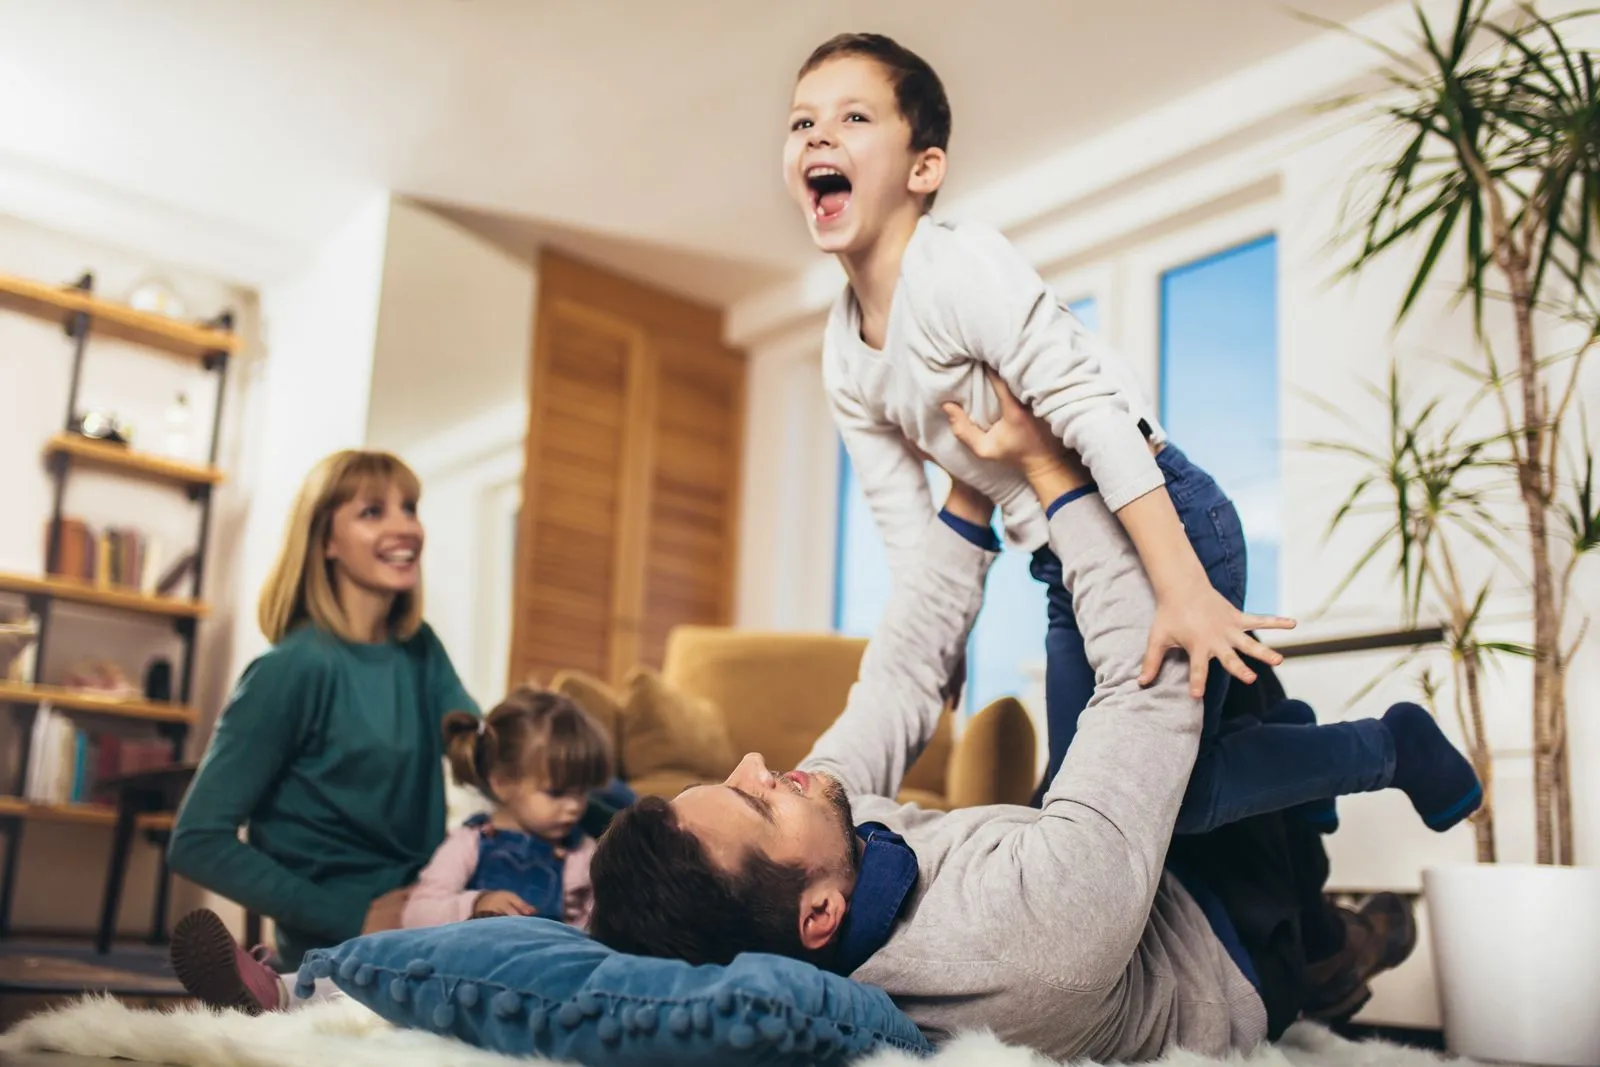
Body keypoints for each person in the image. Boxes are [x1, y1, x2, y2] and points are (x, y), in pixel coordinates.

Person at [586, 379, 1480, 1061]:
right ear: (819, 913)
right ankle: (1354, 779)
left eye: (734, 780)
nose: (754, 762)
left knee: (1070, 594)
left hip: (1080, 844)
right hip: (1227, 927)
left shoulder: (821, 844)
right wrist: (1051, 472)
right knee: (1188, 699)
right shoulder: (1021, 943)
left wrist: (972, 493)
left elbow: (897, 683)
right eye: (753, 802)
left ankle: (1295, 796)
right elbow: (1148, 691)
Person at [794, 31, 1304, 821]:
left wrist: (1182, 588)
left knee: (1123, 803)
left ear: (924, 168)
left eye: (853, 117)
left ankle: (1382, 747)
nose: (819, 135)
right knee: (1099, 801)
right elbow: (903, 516)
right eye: (802, 123)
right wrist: (945, 647)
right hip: (1063, 562)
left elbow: (1096, 413)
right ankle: (1275, 732)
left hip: (1162, 519)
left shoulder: (960, 269)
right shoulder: (842, 356)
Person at [166, 449, 478, 1012]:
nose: (405, 526)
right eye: (372, 512)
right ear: (325, 541)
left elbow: (483, 747)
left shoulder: (420, 650)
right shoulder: (291, 669)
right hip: (349, 934)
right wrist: (350, 914)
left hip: (436, 910)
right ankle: (283, 987)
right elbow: (196, 841)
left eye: (409, 507)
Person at [400, 688, 613, 931]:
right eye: (556, 793)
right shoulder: (470, 842)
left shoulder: (581, 852)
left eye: (583, 791)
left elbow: (598, 928)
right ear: (501, 783)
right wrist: (477, 903)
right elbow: (416, 914)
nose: (575, 806)